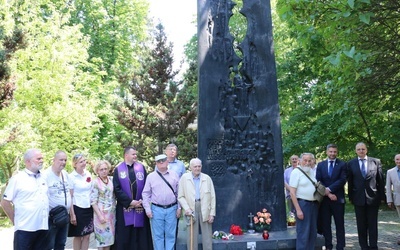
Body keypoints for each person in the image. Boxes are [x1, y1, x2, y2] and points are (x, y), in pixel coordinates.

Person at [1, 148, 49, 250]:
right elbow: (5, 202)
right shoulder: (17, 179)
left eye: (42, 158)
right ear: (28, 161)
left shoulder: (43, 178)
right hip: (25, 229)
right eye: (38, 158)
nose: (42, 160)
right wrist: (15, 220)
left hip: (42, 228)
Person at [112, 146, 153, 250]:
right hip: (124, 207)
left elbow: (147, 186)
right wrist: (130, 202)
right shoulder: (118, 169)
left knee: (140, 235)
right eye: (133, 154)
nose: (135, 156)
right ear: (126, 155)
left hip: (140, 206)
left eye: (136, 154)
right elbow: (117, 189)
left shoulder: (141, 168)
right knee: (125, 235)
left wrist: (141, 201)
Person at [347, 142, 385, 250]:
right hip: (358, 199)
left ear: (366, 150)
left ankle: (373, 246)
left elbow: (380, 180)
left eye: (363, 149)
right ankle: (363, 246)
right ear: (356, 151)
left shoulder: (375, 162)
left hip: (373, 198)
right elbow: (350, 182)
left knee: (372, 224)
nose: (361, 151)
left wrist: (382, 197)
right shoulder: (351, 163)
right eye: (358, 149)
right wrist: (351, 197)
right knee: (361, 225)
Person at [142, 154, 181, 250]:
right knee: (157, 236)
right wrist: (147, 209)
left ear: (167, 161)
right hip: (156, 209)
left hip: (172, 209)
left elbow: (179, 193)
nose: (161, 162)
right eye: (159, 161)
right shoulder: (151, 177)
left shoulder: (174, 175)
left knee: (171, 236)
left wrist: (179, 208)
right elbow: (145, 194)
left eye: (163, 160)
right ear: (156, 163)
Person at [178, 158, 216, 250]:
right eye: (195, 166)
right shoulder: (184, 178)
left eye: (199, 166)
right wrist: (186, 208)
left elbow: (212, 197)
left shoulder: (207, 178)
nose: (197, 168)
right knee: (192, 236)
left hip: (205, 207)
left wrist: (212, 213)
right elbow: (180, 196)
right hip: (191, 208)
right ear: (190, 167)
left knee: (207, 236)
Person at [316, 144, 347, 250]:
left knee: (340, 224)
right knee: (326, 225)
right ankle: (328, 246)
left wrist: (329, 189)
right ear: (327, 152)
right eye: (331, 151)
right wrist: (328, 193)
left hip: (338, 199)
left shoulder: (342, 164)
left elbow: (342, 180)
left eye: (334, 151)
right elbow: (318, 180)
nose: (333, 153)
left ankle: (340, 246)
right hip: (324, 200)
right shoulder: (320, 165)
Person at [289, 153, 319, 250]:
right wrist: (298, 210)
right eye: (305, 160)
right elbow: (292, 193)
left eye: (309, 160)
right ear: (300, 160)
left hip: (313, 205)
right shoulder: (296, 172)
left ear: (312, 161)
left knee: (312, 233)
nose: (307, 162)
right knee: (303, 234)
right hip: (303, 205)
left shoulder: (311, 171)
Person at [44, 150, 72, 250]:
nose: (63, 162)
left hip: (64, 217)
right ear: (54, 160)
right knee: (49, 245)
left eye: (65, 160)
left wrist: (71, 213)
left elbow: (69, 193)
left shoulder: (65, 174)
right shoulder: (46, 175)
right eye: (61, 160)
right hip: (52, 218)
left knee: (61, 244)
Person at [68, 153, 94, 250]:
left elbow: (92, 190)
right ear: (75, 164)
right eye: (81, 162)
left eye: (84, 161)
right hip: (77, 208)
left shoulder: (88, 174)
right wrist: (72, 214)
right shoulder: (71, 177)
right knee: (78, 235)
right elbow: (70, 196)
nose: (84, 163)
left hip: (88, 207)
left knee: (87, 235)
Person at [91, 160, 116, 250]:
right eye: (101, 169)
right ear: (97, 171)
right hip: (100, 215)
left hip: (111, 215)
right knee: (101, 242)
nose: (104, 171)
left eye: (105, 169)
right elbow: (93, 201)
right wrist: (100, 216)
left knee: (109, 241)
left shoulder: (112, 180)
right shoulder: (95, 182)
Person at [165, 143, 185, 249]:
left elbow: (184, 181)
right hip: (163, 198)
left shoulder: (180, 165)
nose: (172, 151)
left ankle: (173, 244)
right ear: (166, 151)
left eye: (174, 149)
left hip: (176, 196)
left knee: (175, 221)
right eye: (170, 149)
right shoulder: (161, 163)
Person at [385, 153, 400, 245]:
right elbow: (388, 186)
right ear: (394, 160)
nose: (399, 161)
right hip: (398, 199)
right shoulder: (390, 172)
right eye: (397, 159)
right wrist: (389, 200)